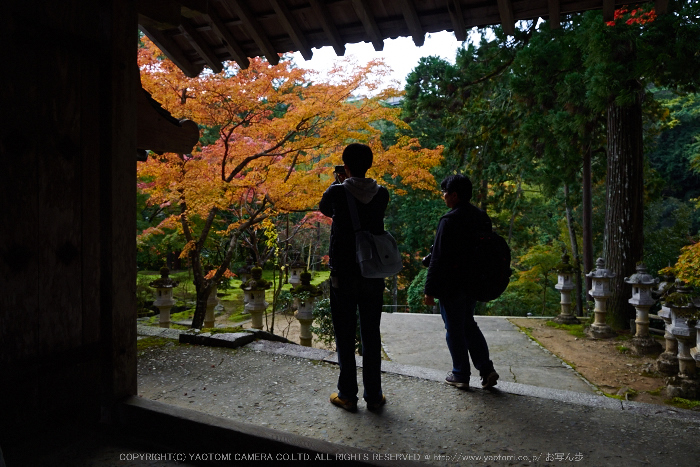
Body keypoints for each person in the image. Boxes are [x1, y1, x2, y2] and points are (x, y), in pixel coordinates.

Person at [319, 143, 389, 412]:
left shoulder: (337, 191)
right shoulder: (382, 193)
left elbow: (325, 208)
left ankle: (347, 394)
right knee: (371, 333)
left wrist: (341, 182)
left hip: (344, 274)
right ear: (369, 164)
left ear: (345, 165)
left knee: (345, 334)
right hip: (373, 272)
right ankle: (374, 395)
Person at [424, 174, 499, 390]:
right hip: (475, 282)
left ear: (454, 195)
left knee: (454, 329)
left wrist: (430, 291)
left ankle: (460, 374)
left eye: (444, 193)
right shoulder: (481, 217)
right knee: (468, 324)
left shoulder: (449, 220)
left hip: (452, 285)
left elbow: (438, 258)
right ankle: (486, 369)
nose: (443, 197)